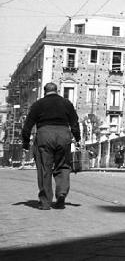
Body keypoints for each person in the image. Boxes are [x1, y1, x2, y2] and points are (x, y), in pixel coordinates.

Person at [22, 82, 80, 210]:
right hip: (63, 135)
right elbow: (75, 123)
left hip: (45, 135)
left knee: (44, 168)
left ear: (44, 91)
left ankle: (45, 202)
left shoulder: (38, 104)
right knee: (63, 166)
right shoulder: (66, 103)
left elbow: (28, 125)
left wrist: (25, 142)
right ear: (57, 90)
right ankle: (61, 194)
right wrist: (78, 138)